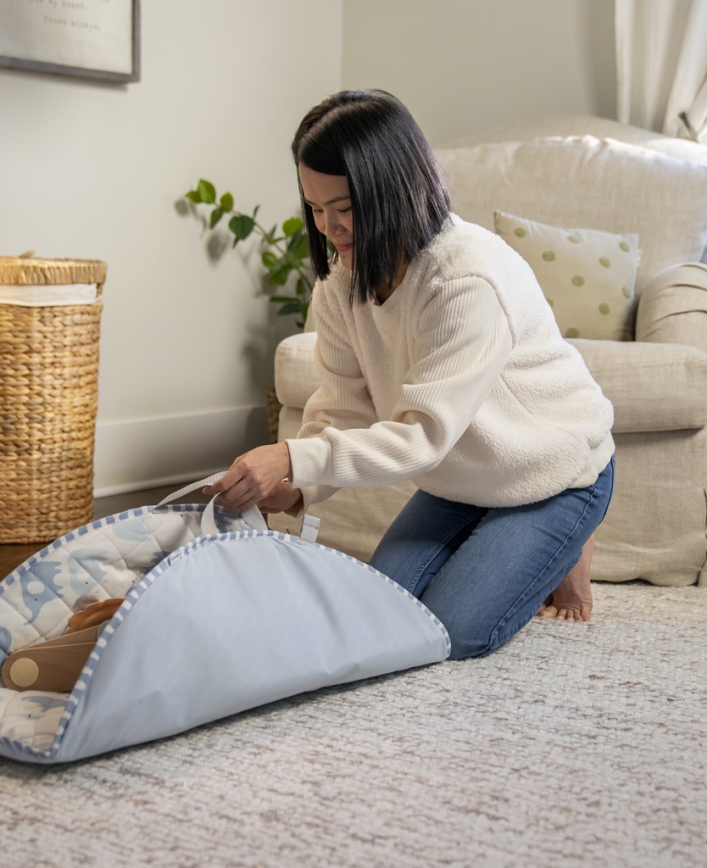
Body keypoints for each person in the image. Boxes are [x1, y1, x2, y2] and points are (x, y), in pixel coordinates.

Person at [206, 90, 614, 660]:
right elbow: (344, 410)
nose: (329, 227)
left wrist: (293, 459)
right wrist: (294, 485)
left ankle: (572, 537)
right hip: (462, 479)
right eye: (316, 208)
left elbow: (422, 437)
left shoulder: (466, 280)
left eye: (344, 207)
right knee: (382, 607)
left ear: (393, 186)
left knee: (454, 630)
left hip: (549, 468)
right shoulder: (339, 287)